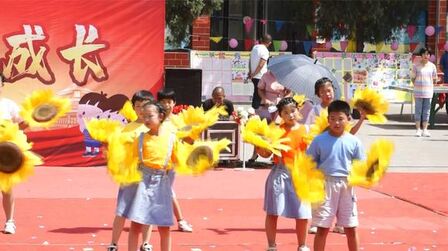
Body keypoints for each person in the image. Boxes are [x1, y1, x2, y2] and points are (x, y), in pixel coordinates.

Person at [306, 77, 366, 234]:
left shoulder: (341, 110)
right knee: (320, 192)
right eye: (323, 91)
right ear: (318, 94)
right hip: (322, 155)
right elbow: (309, 132)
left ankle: (341, 223)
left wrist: (361, 119)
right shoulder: (316, 110)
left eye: (329, 90)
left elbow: (350, 132)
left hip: (341, 164)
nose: (327, 93)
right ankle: (317, 221)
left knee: (343, 196)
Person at [120, 102, 177, 251]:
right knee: (136, 223)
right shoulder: (140, 138)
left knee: (164, 227)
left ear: (161, 116)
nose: (146, 119)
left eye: (150, 116)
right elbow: (128, 159)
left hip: (162, 183)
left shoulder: (171, 138)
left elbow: (179, 160)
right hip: (143, 183)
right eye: (143, 116)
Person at [260, 97, 311, 251]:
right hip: (280, 173)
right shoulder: (277, 131)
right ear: (280, 115)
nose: (290, 115)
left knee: (302, 213)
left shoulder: (306, 130)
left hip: (300, 175)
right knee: (273, 211)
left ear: (298, 110)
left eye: (293, 111)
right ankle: (271, 245)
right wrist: (258, 144)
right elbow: (266, 153)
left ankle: (302, 245)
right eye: (286, 112)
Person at [108, 90, 155, 251]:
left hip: (149, 175)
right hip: (130, 176)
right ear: (133, 107)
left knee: (147, 210)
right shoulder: (127, 128)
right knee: (122, 210)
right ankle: (114, 243)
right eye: (138, 106)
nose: (142, 110)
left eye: (145, 106)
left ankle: (146, 242)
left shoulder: (154, 128)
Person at [157, 88, 194, 232]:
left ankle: (180, 220)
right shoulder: (154, 119)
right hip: (154, 162)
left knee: (167, 190)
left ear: (174, 103)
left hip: (171, 163)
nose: (166, 105)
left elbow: (189, 140)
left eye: (169, 102)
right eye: (163, 102)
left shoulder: (178, 121)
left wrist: (195, 132)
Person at [0, 73, 26, 235]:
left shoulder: (9, 105)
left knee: (7, 188)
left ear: (2, 84)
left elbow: (22, 124)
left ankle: (10, 221)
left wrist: (33, 118)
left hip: (5, 153)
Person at [411, 47, 437, 137]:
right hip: (418, 92)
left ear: (429, 56)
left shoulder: (432, 66)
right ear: (421, 55)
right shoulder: (416, 66)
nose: (426, 56)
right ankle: (418, 129)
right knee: (418, 110)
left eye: (428, 54)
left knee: (427, 111)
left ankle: (425, 129)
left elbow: (434, 79)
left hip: (428, 92)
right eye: (424, 54)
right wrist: (417, 85)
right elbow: (412, 78)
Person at [249, 34, 272, 110]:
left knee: (257, 93)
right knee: (260, 94)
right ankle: (256, 111)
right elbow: (261, 64)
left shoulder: (255, 47)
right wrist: (254, 74)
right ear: (269, 43)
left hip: (254, 76)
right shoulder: (265, 50)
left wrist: (251, 72)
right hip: (261, 76)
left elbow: (250, 60)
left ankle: (254, 110)